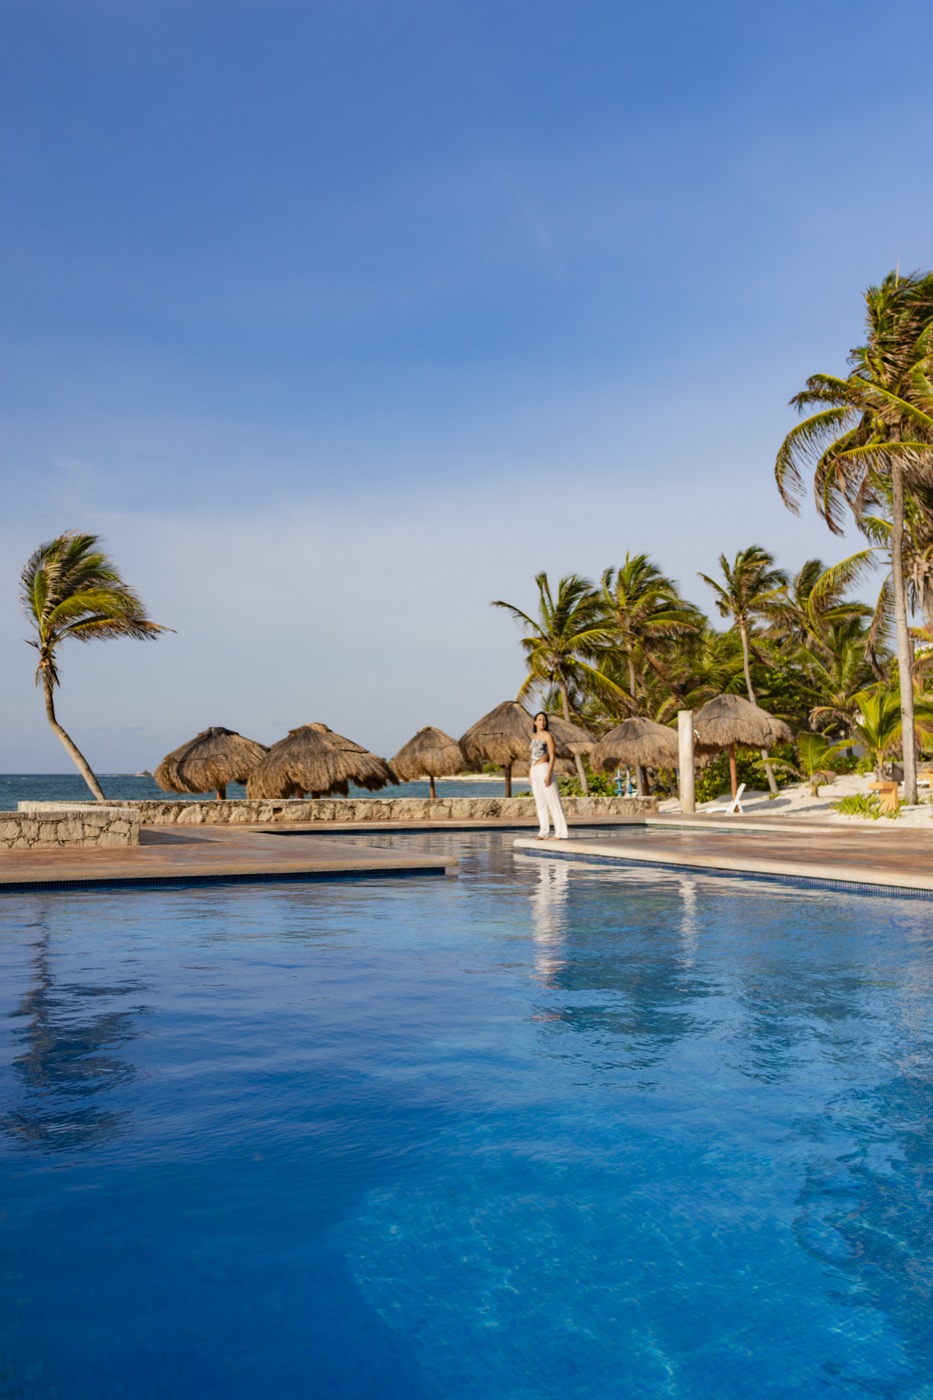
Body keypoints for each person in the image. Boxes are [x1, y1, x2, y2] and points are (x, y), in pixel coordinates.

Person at [529, 712, 569, 840]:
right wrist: (530, 774)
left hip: (544, 769)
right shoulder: (534, 736)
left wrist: (548, 774)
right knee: (540, 803)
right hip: (534, 770)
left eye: (544, 720)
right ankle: (543, 832)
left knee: (553, 802)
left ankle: (561, 832)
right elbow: (532, 757)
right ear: (535, 722)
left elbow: (552, 756)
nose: (542, 722)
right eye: (539, 720)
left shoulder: (548, 736)